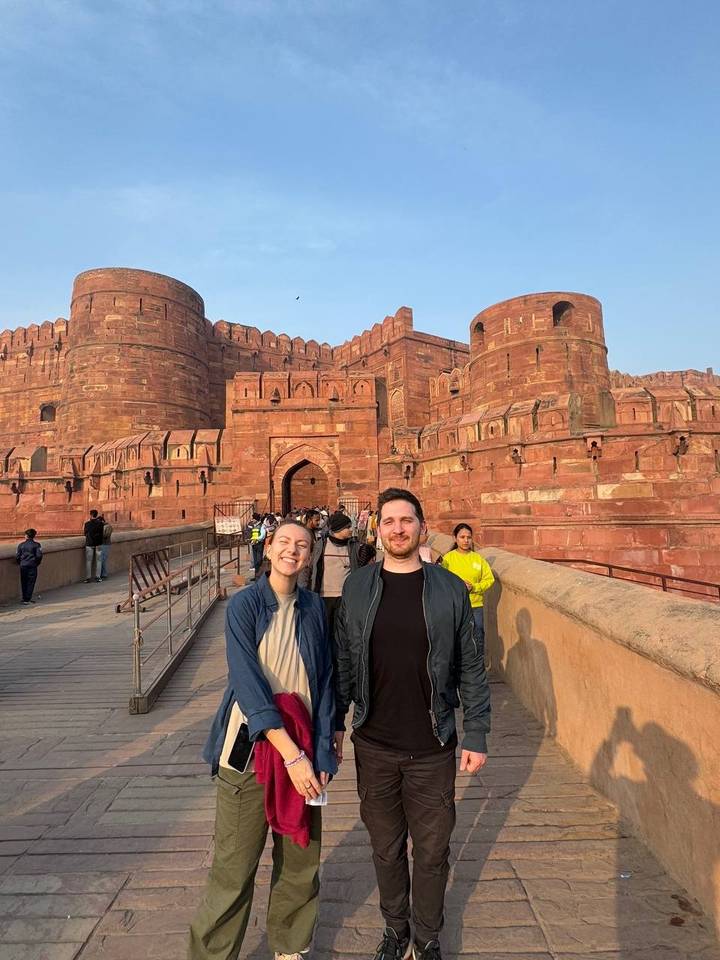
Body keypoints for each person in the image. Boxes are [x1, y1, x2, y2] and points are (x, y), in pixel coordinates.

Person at [334, 488, 491, 960]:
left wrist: (477, 731)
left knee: (432, 851)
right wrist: (336, 722)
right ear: (377, 529)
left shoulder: (449, 588)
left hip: (433, 743)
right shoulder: (358, 586)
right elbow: (345, 659)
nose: (398, 529)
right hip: (374, 742)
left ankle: (427, 937)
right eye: (389, 521)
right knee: (385, 848)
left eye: (407, 520)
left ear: (422, 528)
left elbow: (471, 665)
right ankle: (395, 929)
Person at [188, 519, 338, 960]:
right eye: (284, 542)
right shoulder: (245, 604)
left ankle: (290, 947)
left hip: (304, 747)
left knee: (300, 863)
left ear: (310, 555)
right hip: (251, 750)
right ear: (268, 548)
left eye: (302, 545)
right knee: (234, 869)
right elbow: (248, 683)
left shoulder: (314, 607)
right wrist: (292, 755)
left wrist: (323, 749)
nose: (292, 550)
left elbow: (325, 681)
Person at [307, 510, 374, 639]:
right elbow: (311, 567)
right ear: (338, 529)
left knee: (342, 636)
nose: (351, 529)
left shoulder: (354, 546)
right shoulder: (322, 545)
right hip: (324, 596)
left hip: (345, 597)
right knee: (324, 633)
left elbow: (364, 566)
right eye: (347, 527)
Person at [440, 523, 495, 660]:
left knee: (477, 636)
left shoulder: (478, 559)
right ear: (455, 538)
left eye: (469, 537)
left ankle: (478, 664)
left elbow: (489, 579)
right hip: (455, 605)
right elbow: (441, 580)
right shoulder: (448, 559)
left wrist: (474, 587)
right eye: (462, 537)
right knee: (456, 637)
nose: (466, 540)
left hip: (475, 605)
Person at [16, 528, 42, 604]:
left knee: (23, 581)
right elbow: (39, 556)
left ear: (26, 536)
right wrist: (36, 563)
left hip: (23, 565)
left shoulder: (21, 545)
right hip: (32, 565)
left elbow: (17, 556)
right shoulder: (37, 545)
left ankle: (24, 598)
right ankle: (27, 599)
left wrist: (20, 562)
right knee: (31, 582)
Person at [83, 509, 105, 583]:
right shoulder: (101, 524)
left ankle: (88, 578)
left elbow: (85, 533)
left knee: (88, 561)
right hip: (98, 543)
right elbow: (102, 533)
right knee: (99, 561)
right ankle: (98, 577)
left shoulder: (87, 524)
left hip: (89, 543)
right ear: (96, 515)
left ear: (91, 515)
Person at [99, 514, 113, 580]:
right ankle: (102, 574)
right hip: (101, 544)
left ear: (102, 521)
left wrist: (98, 534)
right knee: (101, 560)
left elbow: (106, 535)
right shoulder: (101, 526)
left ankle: (104, 574)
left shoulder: (108, 526)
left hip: (106, 545)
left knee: (103, 559)